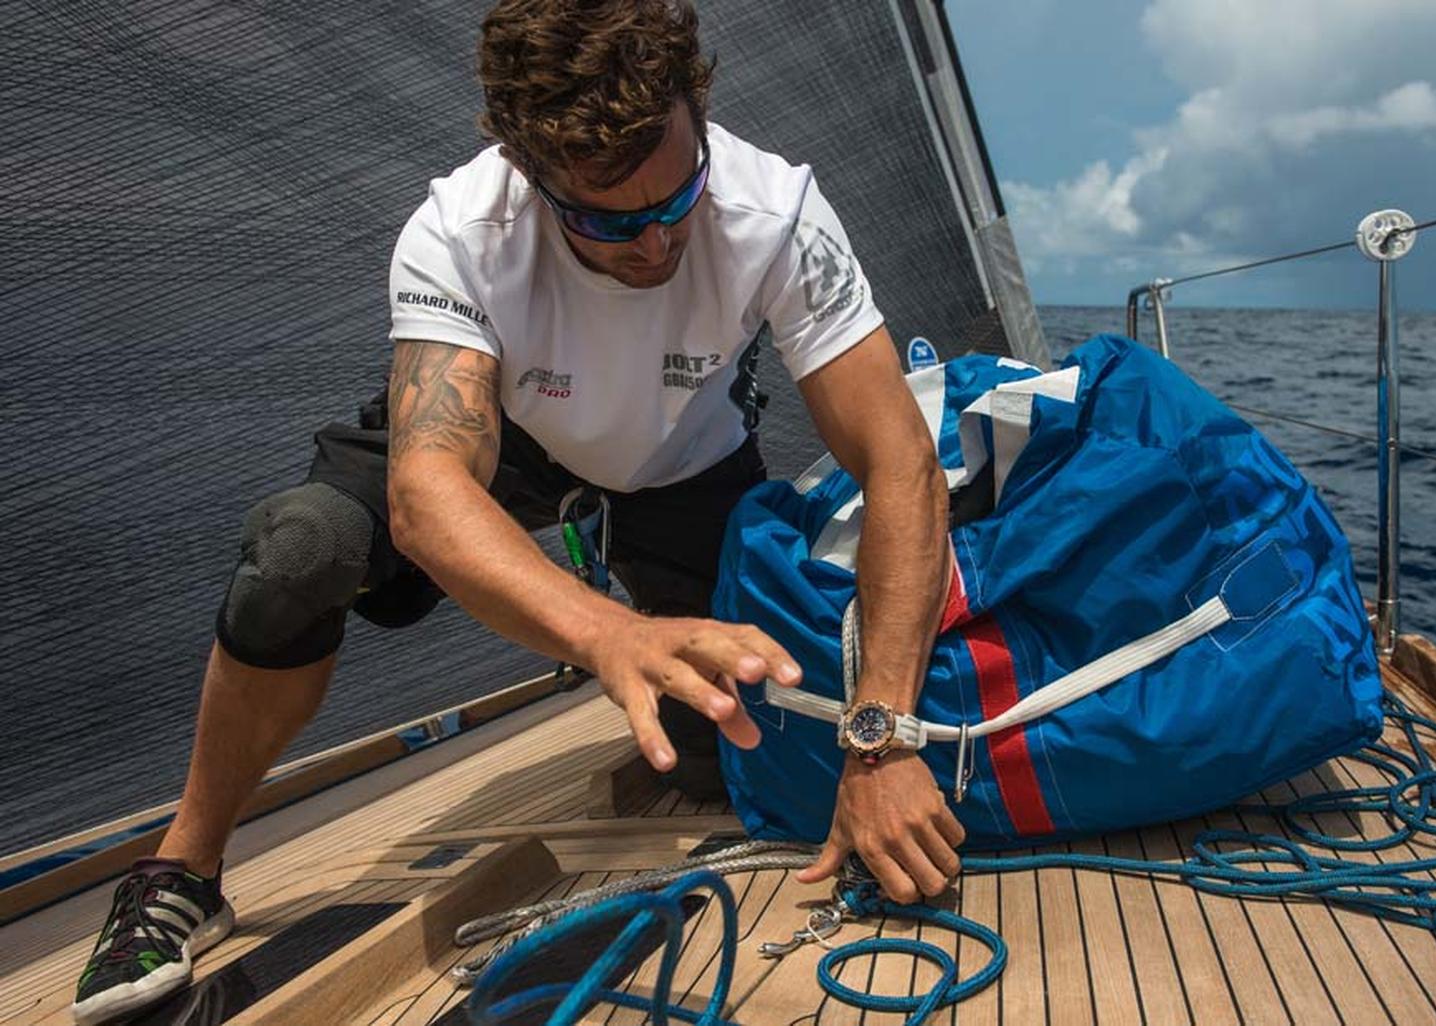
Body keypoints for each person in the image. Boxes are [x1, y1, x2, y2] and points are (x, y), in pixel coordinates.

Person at [71, 2, 962, 1022]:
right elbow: (429, 493)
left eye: (680, 198)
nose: (659, 240)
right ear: (531, 173)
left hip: (683, 463)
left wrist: (883, 737)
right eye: (613, 221)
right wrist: (613, 636)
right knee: (299, 551)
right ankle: (180, 872)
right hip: (509, 427)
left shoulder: (778, 211)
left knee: (753, 757)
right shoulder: (458, 229)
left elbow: (900, 463)